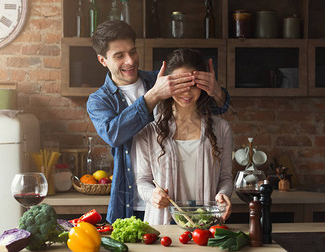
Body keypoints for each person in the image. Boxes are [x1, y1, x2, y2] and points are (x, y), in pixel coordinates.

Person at [87, 20, 230, 224]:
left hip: (174, 202)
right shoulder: (99, 100)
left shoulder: (162, 78)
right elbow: (113, 134)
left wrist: (215, 90)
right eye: (119, 56)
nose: (130, 61)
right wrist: (152, 96)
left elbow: (212, 107)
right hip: (130, 203)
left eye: (133, 51)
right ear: (103, 60)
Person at [134, 48, 233, 225]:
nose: (187, 92)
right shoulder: (148, 131)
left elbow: (225, 177)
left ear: (203, 84)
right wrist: (153, 196)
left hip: (207, 224)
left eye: (193, 84)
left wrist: (223, 194)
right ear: (167, 84)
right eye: (180, 84)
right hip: (163, 225)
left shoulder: (221, 129)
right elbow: (143, 181)